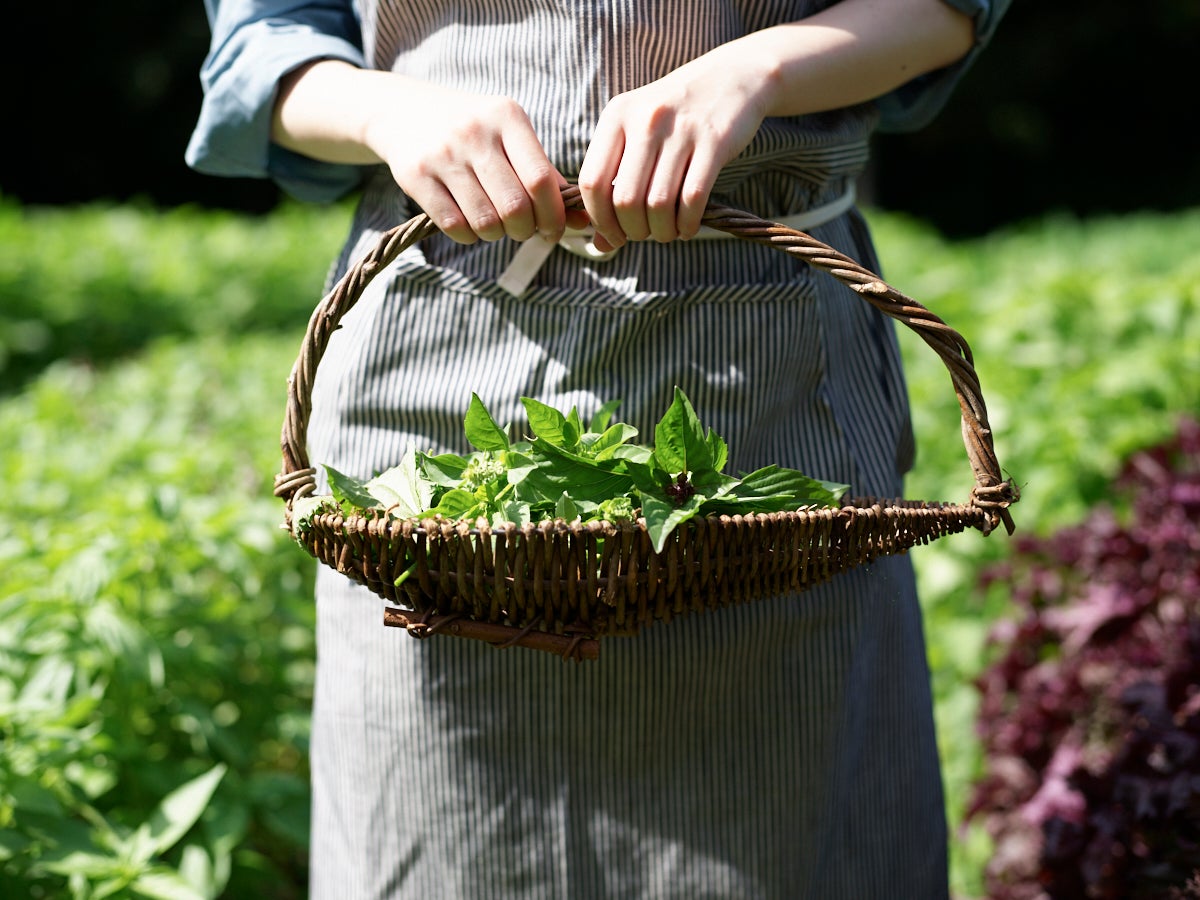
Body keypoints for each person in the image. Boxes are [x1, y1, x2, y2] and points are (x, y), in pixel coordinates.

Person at [188, 2, 1009, 897]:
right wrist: (390, 111)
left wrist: (759, 69)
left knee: (803, 837)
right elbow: (264, 46)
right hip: (439, 350)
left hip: (765, 352)